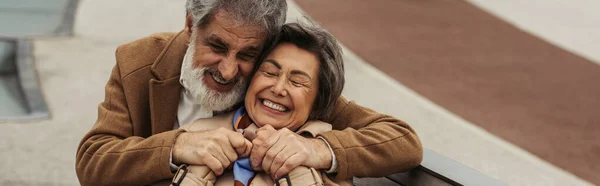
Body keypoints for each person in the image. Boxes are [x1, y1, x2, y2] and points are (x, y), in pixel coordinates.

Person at [75, 1, 423, 185]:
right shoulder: (139, 61)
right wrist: (178, 145)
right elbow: (93, 160)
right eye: (217, 45)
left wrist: (312, 148)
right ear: (191, 26)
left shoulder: (274, 87)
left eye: (246, 55)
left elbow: (401, 139)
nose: (228, 70)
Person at [173, 22, 353, 186]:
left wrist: (294, 167)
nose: (278, 88)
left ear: (318, 101)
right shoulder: (197, 135)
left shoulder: (330, 158)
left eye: (297, 82)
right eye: (269, 72)